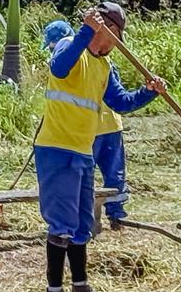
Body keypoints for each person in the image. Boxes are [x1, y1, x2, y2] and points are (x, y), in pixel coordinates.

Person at [36, 3, 166, 292]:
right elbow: (59, 69)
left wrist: (149, 92)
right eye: (117, 36)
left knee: (82, 223)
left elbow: (120, 102)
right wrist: (86, 31)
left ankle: (80, 288)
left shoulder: (104, 67)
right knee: (62, 223)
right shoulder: (71, 45)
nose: (117, 44)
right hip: (57, 148)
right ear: (105, 29)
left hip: (83, 150)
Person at [42, 20, 132, 227]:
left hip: (97, 128)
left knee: (110, 175)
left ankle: (114, 214)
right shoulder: (71, 56)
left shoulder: (101, 61)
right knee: (91, 177)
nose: (53, 50)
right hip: (87, 131)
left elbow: (117, 98)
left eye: (53, 45)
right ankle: (89, 219)